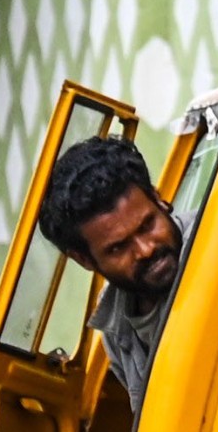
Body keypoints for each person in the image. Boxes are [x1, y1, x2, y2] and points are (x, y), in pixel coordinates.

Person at [35, 135, 181, 411]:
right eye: (118, 247)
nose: (146, 250)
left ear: (158, 198)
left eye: (148, 225)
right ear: (83, 259)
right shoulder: (116, 328)